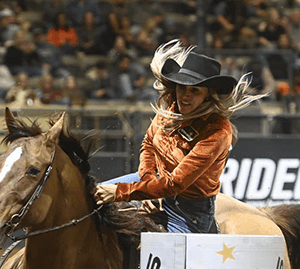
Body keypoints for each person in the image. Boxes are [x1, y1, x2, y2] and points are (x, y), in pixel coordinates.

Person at [94, 40, 266, 233]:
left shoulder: (218, 130)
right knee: (90, 198)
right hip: (153, 183)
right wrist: (148, 185)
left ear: (208, 96)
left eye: (195, 91)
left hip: (188, 211)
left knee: (164, 259)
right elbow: (148, 144)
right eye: (182, 87)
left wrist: (120, 192)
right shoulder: (170, 106)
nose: (185, 96)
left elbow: (176, 184)